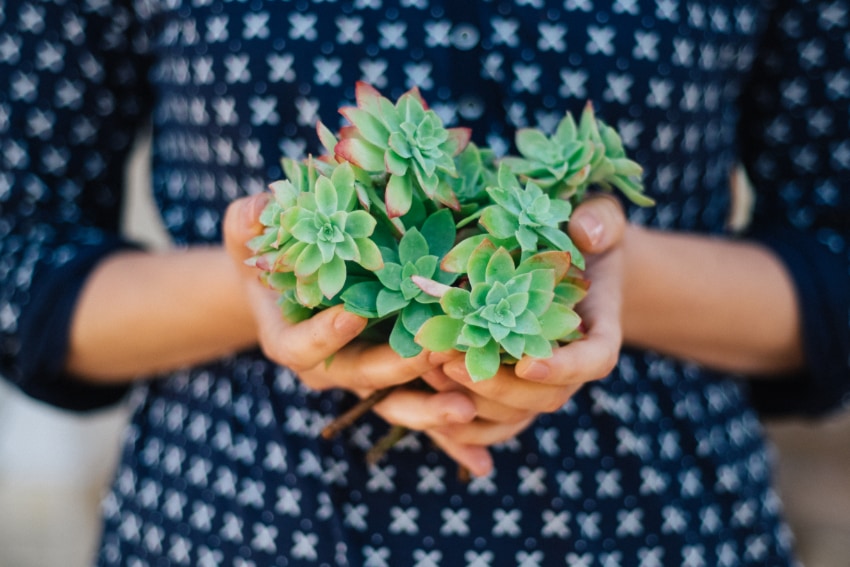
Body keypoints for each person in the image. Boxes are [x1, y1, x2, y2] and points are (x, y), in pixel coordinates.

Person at [1, 0, 848, 565]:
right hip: (229, 529)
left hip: (658, 533)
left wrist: (597, 275)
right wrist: (278, 283)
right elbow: (20, 268)